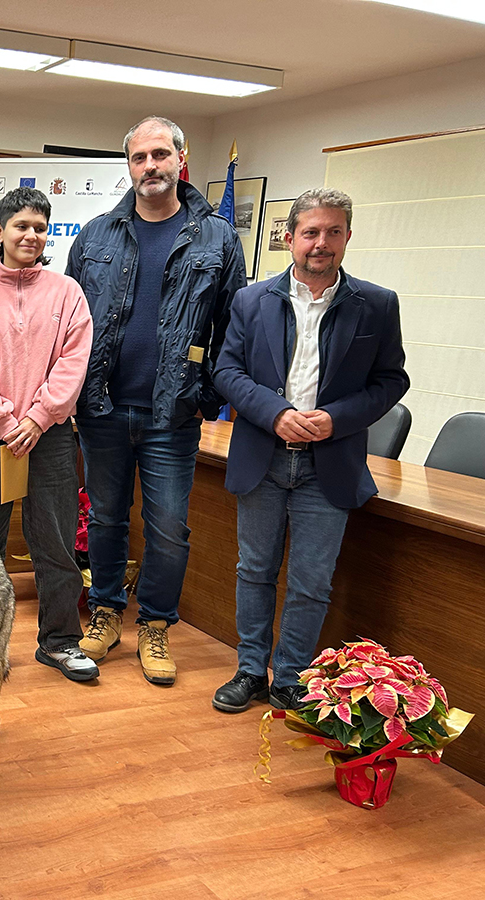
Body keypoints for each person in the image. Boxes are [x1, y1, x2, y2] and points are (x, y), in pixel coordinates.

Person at [211, 189, 408, 713]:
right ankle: (251, 669)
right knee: (254, 569)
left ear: (347, 236)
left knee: (311, 580)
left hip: (330, 463)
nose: (321, 243)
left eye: (333, 232)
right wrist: (275, 413)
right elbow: (226, 371)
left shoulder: (377, 304)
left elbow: (392, 380)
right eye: (311, 232)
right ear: (289, 238)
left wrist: (336, 419)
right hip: (264, 457)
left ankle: (293, 676)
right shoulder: (252, 300)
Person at [65, 115, 246, 686]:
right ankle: (106, 612)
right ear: (129, 166)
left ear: (181, 159)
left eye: (160, 155)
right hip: (102, 408)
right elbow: (68, 321)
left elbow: (233, 327)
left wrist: (207, 397)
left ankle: (157, 624)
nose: (150, 166)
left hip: (174, 413)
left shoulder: (217, 237)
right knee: (107, 518)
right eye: (140, 157)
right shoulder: (94, 235)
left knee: (169, 527)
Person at [0, 187, 95, 683]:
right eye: (20, 226)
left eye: (39, 227)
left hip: (48, 437)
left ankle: (59, 641)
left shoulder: (67, 292)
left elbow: (74, 362)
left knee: (53, 542)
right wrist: (6, 422)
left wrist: (38, 417)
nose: (30, 235)